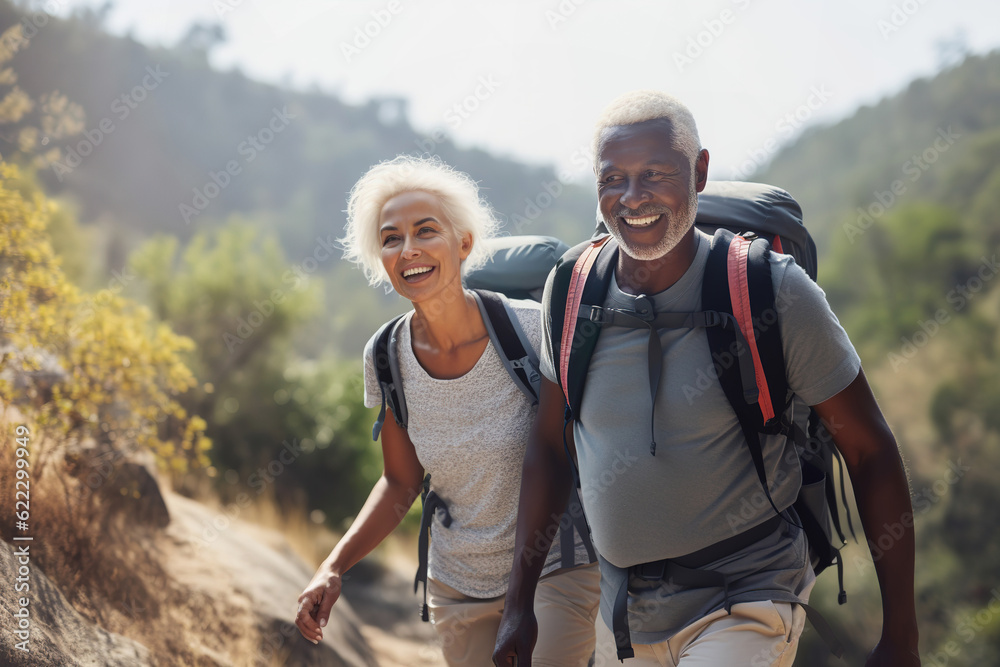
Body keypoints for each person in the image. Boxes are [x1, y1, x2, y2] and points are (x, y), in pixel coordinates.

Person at [493, 91, 920, 666]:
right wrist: (517, 603)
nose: (632, 197)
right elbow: (548, 445)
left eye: (654, 174)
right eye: (612, 178)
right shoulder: (571, 290)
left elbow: (870, 450)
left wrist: (902, 635)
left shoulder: (773, 291)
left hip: (747, 597)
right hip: (623, 614)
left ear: (699, 172)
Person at [294, 155, 599, 666]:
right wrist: (333, 566)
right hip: (458, 586)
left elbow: (567, 450)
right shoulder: (386, 356)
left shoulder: (530, 330)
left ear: (462, 243)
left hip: (555, 569)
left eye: (425, 231)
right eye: (391, 239)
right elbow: (399, 482)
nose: (408, 249)